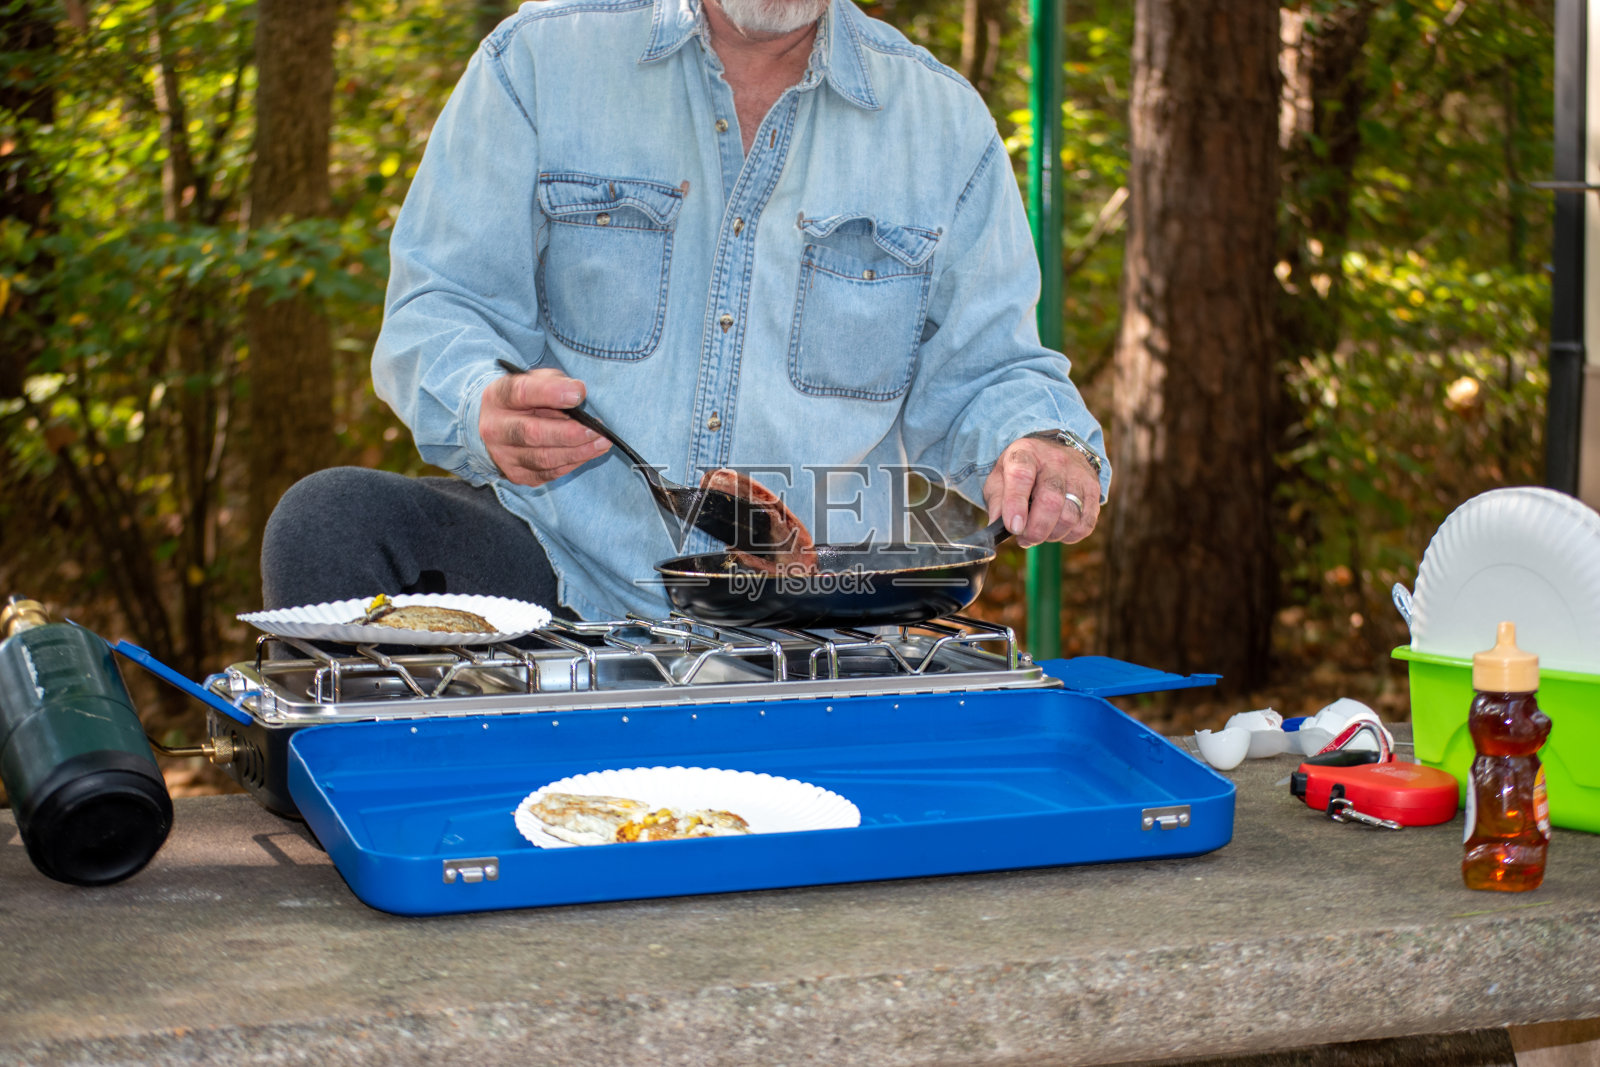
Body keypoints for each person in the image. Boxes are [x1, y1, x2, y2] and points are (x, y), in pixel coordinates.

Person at [261, 0, 1109, 622]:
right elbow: (437, 308)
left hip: (814, 610)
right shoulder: (538, 57)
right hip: (561, 571)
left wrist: (1040, 444)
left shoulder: (942, 123)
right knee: (328, 520)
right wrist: (480, 404)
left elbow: (991, 373)